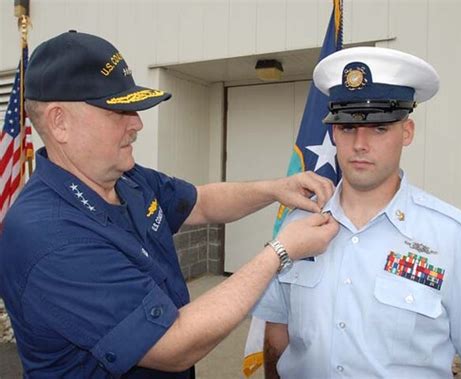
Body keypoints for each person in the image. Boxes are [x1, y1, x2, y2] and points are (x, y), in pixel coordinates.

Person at [0, 31, 340, 378]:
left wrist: (275, 189)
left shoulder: (126, 179)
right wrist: (280, 252)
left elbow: (202, 202)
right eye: (118, 111)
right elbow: (174, 344)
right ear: (60, 122)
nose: (138, 124)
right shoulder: (49, 236)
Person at [254, 46, 461, 378]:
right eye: (347, 127)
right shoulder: (298, 224)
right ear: (332, 133)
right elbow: (276, 336)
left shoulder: (454, 238)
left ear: (407, 132)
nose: (360, 144)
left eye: (380, 128)